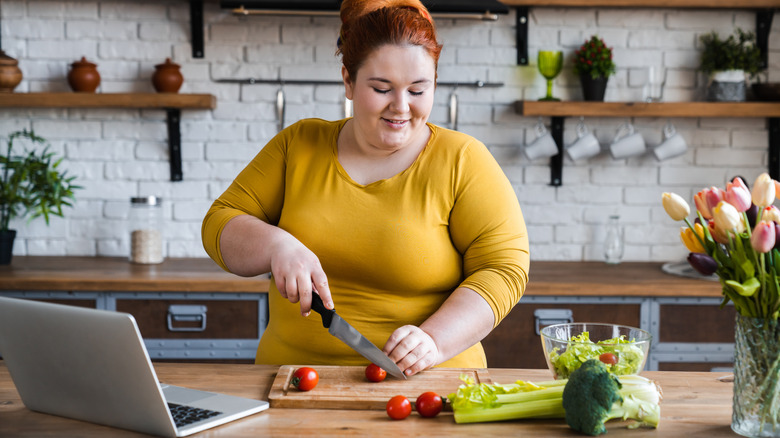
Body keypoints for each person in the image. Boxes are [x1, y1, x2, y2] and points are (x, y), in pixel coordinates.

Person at [202, 0, 529, 376]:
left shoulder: (463, 160)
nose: (401, 107)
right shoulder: (298, 145)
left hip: (428, 385)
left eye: (418, 90)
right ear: (348, 81)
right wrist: (276, 245)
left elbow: (504, 269)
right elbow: (219, 223)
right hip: (289, 379)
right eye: (382, 88)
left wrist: (434, 340)